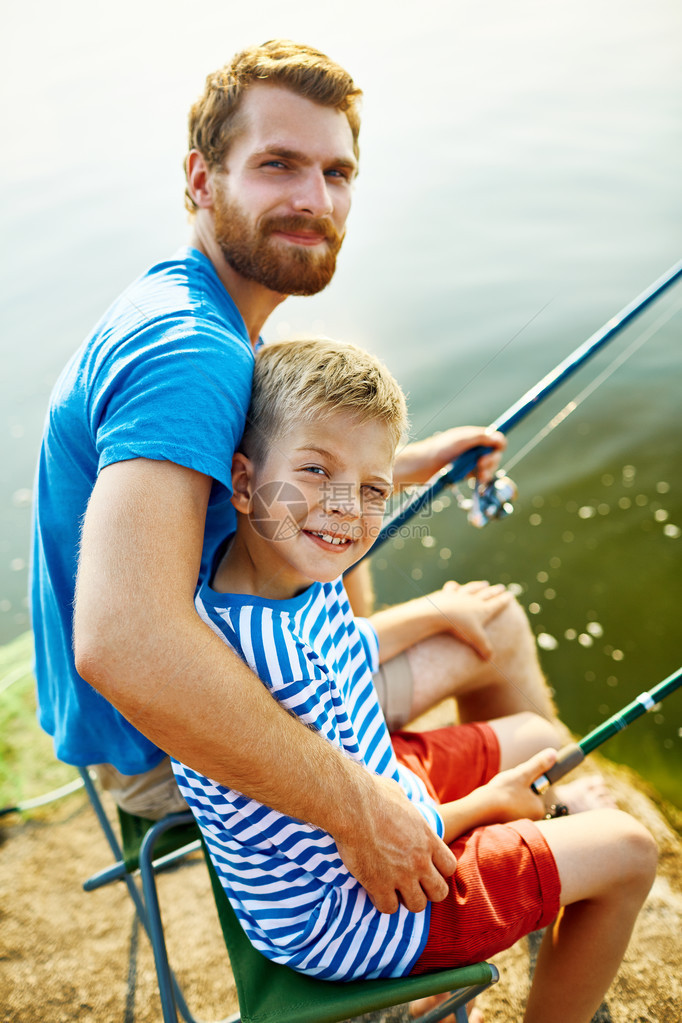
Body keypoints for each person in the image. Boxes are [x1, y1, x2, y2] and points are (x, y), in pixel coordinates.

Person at [30, 39, 594, 917]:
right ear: (199, 177)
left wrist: (402, 465)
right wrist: (357, 806)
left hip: (140, 719)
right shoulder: (190, 356)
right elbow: (126, 641)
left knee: (441, 612)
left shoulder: (183, 305)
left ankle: (527, 853)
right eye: (278, 165)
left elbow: (226, 472)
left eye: (337, 172)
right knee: (498, 627)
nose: (314, 198)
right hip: (167, 750)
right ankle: (537, 882)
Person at [172, 337, 656, 1023]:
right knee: (628, 849)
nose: (345, 506)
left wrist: (434, 611)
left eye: (373, 488)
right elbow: (375, 846)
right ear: (244, 481)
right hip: (353, 913)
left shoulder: (259, 571)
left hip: (371, 808)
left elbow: (342, 647)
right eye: (315, 469)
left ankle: (543, 882)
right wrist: (489, 803)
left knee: (537, 736)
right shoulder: (281, 666)